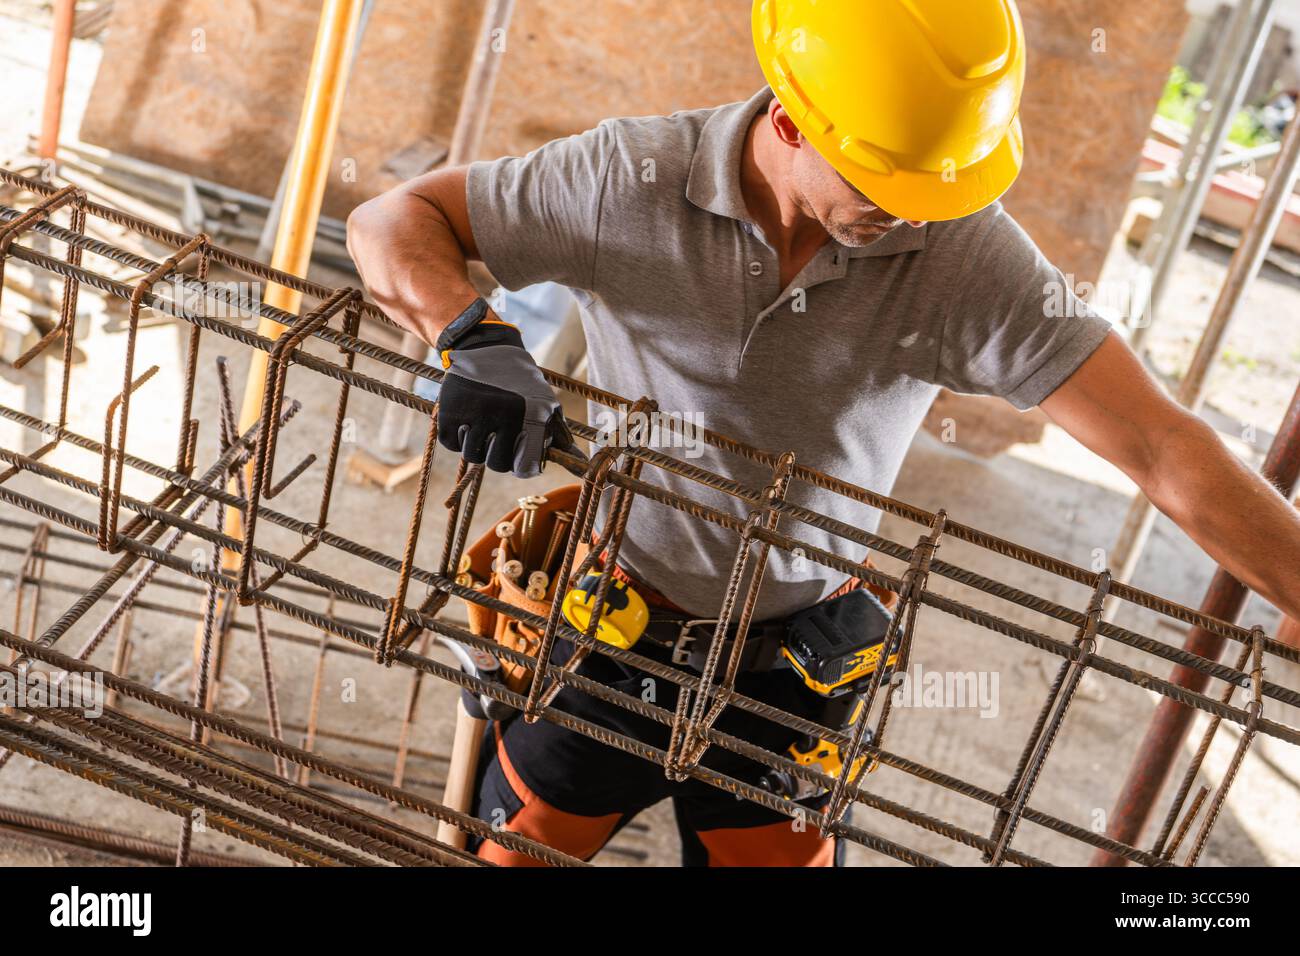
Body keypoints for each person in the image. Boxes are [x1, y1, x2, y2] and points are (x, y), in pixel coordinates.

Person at [347, 0, 1300, 865]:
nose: (915, 207)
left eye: (938, 181)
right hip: (612, 625)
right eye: (888, 177)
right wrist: (468, 331)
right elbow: (396, 217)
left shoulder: (962, 249)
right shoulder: (629, 179)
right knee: (515, 853)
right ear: (790, 117)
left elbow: (1161, 443)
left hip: (797, 663)